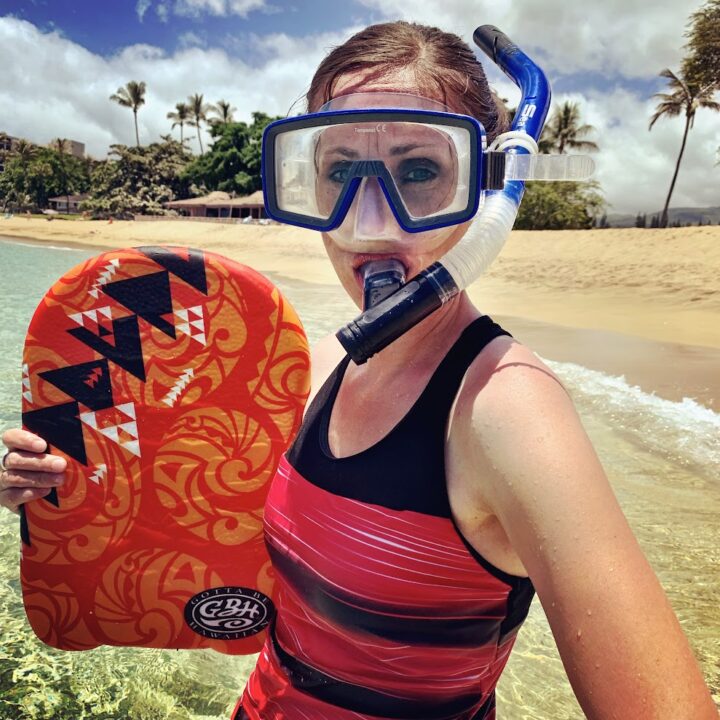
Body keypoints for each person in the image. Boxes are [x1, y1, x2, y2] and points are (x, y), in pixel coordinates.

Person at [1, 20, 717, 720]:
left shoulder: (508, 410)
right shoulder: (346, 363)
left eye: (420, 172)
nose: (372, 222)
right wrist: (74, 485)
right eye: (341, 172)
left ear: (488, 195)